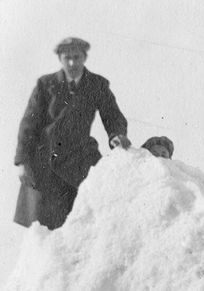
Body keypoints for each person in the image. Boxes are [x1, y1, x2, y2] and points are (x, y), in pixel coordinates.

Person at [13, 37, 131, 230]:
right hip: (45, 164)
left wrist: (116, 135)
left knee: (83, 224)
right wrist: (23, 162)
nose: (72, 63)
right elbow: (28, 125)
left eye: (76, 57)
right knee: (45, 230)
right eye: (67, 58)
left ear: (84, 58)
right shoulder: (45, 84)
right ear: (59, 59)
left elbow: (113, 115)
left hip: (80, 161)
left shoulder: (97, 84)